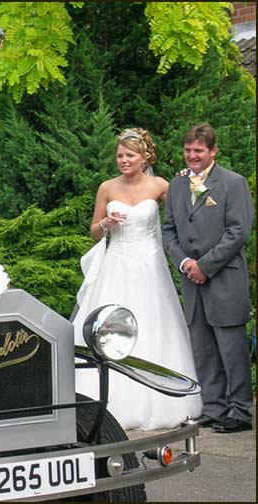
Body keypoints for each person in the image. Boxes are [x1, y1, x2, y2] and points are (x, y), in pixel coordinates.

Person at [73, 127, 202, 430]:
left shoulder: (160, 185)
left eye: (129, 155)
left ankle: (160, 396)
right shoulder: (107, 187)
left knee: (155, 324)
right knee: (110, 327)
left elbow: (187, 209)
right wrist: (104, 223)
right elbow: (93, 230)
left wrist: (189, 181)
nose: (123, 160)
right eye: (119, 155)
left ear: (145, 157)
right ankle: (103, 399)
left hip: (149, 264)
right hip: (116, 263)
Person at [163, 123, 253, 433]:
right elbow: (169, 230)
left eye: (198, 151)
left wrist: (205, 265)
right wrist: (186, 262)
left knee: (232, 348)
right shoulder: (177, 186)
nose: (192, 156)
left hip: (224, 278)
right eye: (188, 150)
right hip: (191, 279)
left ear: (213, 151)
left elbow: (238, 231)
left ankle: (241, 411)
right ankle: (214, 407)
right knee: (202, 347)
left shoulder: (233, 183)